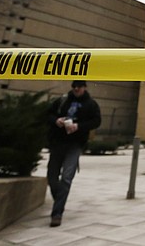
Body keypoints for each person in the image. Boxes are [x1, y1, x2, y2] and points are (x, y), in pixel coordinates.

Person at [46, 80, 101, 227]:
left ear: (84, 88)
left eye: (79, 87)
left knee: (66, 177)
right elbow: (48, 114)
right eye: (74, 87)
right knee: (52, 177)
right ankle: (60, 198)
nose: (76, 89)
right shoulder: (63, 100)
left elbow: (96, 121)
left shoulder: (91, 104)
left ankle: (57, 213)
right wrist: (57, 120)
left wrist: (79, 126)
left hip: (75, 144)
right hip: (58, 142)